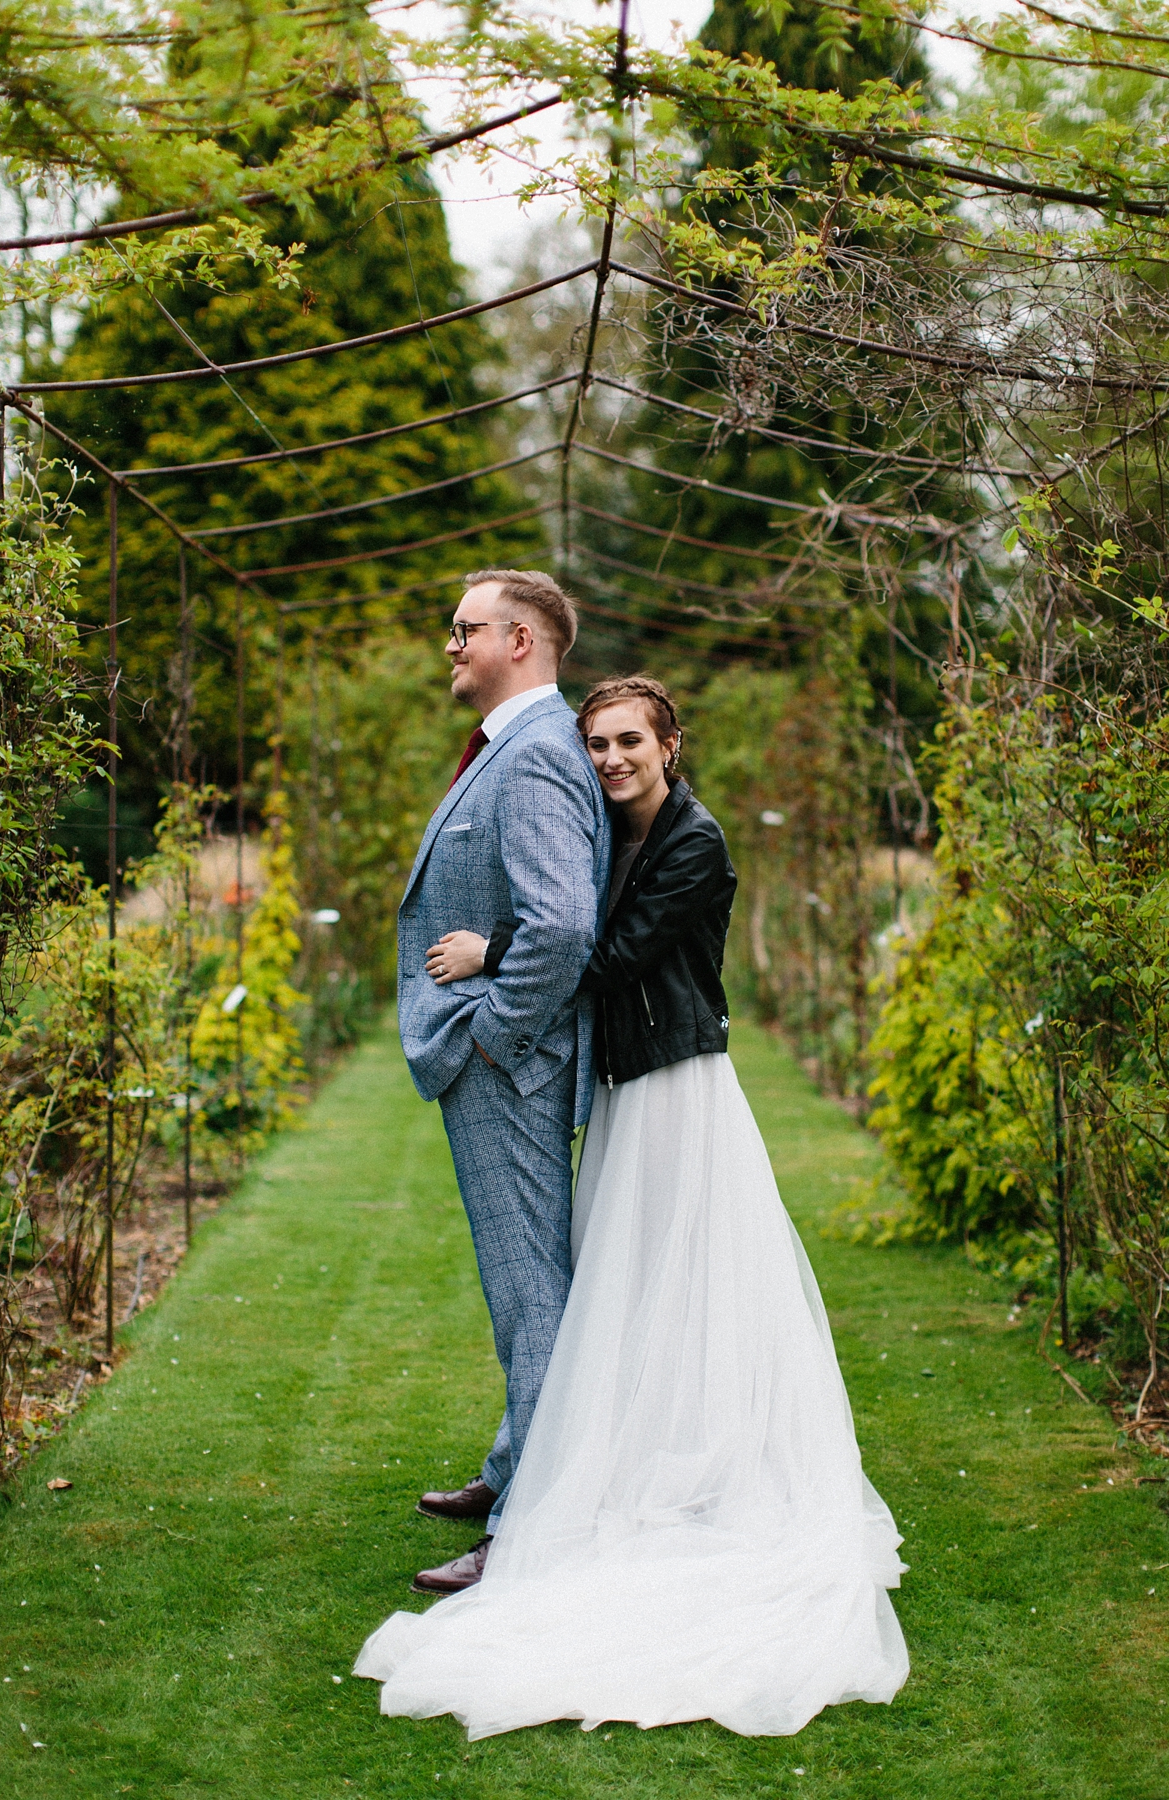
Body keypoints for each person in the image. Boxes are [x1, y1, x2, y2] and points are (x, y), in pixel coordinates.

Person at [355, 675, 909, 1737]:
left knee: (665, 1277)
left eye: (628, 744)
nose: (611, 761)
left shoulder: (693, 844)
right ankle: (618, 1456)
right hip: (624, 1088)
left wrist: (489, 952)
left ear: (671, 746)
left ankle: (655, 1479)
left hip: (675, 1091)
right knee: (629, 1285)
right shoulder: (620, 833)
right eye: (598, 745)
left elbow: (606, 956)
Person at [393, 569, 609, 1596]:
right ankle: (516, 1464)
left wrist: (495, 1035)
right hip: (504, 1065)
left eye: (463, 629)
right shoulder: (519, 746)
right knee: (525, 1287)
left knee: (532, 1298)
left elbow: (563, 923)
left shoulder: (532, 758)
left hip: (510, 1071)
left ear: (521, 640)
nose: (450, 644)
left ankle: (532, 1528)